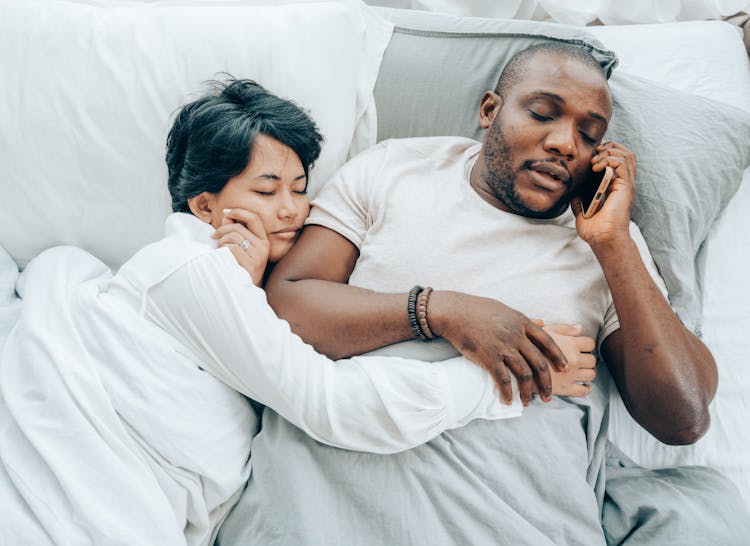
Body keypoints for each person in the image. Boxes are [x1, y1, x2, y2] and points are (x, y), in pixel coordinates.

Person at [0, 78, 598, 546]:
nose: (291, 209)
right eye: (265, 191)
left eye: (299, 185)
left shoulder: (237, 290)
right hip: (78, 508)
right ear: (206, 206)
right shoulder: (194, 272)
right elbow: (332, 405)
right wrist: (512, 379)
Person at [219, 45, 750, 544]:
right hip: (341, 478)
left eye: (590, 136)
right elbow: (285, 303)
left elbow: (683, 417)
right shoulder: (395, 169)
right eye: (543, 113)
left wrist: (614, 245)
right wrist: (442, 311)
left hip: (508, 507)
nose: (566, 144)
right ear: (490, 109)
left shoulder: (608, 243)